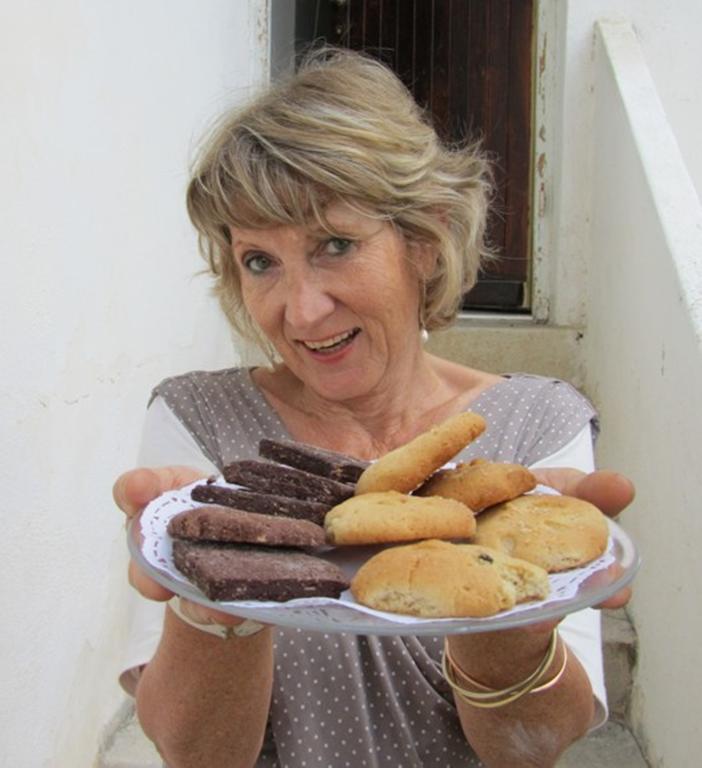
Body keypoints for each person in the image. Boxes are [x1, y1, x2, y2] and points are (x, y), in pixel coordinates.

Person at [115, 48, 635, 768]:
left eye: (335, 244)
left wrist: (512, 614)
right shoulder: (201, 427)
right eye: (259, 260)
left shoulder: (534, 433)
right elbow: (198, 755)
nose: (301, 310)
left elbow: (534, 746)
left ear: (423, 241)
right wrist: (210, 604)